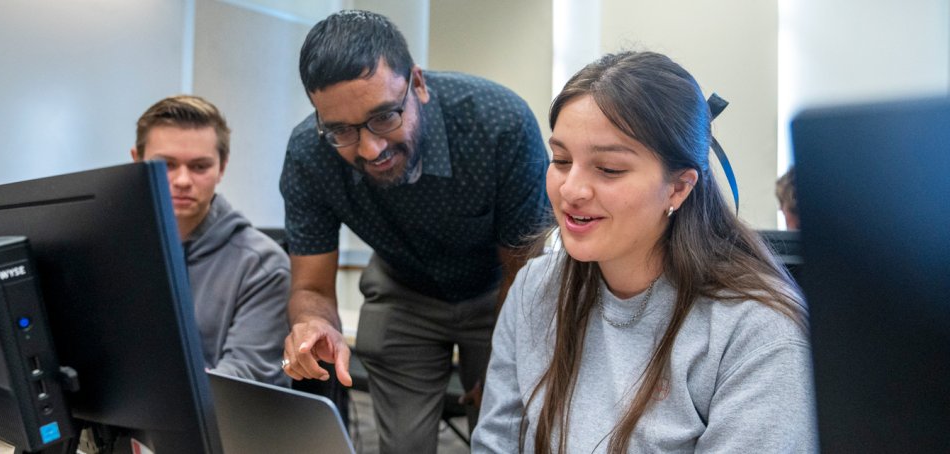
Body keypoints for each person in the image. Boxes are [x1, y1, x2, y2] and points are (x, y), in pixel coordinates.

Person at [473, 52, 817, 453]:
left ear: (679, 188)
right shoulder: (535, 288)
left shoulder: (756, 332)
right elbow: (496, 442)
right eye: (562, 160)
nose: (570, 189)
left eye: (609, 169)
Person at [278, 10, 551, 453]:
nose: (371, 148)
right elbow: (310, 287)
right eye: (341, 130)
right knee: (404, 444)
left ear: (418, 84)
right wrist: (313, 323)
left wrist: (504, 367)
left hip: (500, 289)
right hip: (403, 289)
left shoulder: (499, 123)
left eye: (384, 116)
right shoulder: (310, 154)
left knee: (504, 433)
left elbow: (523, 272)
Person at [131, 95, 291, 387]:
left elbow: (244, 380)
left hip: (217, 416)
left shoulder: (262, 264)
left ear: (222, 167)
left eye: (199, 166)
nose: (182, 180)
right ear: (137, 161)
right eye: (166, 164)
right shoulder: (113, 250)